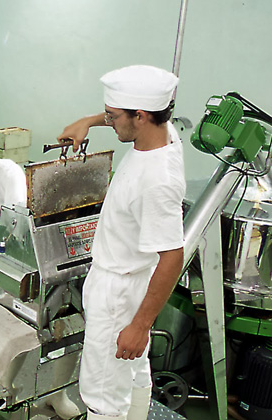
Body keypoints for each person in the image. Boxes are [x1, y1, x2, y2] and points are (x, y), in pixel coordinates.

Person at [54, 65, 185, 420]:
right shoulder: (165, 133)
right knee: (133, 371)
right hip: (132, 281)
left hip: (118, 291)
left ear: (140, 116)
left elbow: (173, 257)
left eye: (112, 117)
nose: (109, 122)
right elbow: (128, 114)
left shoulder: (157, 181)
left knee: (102, 394)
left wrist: (139, 325)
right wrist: (89, 121)